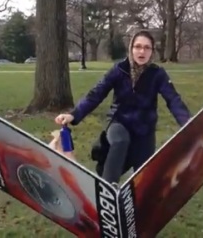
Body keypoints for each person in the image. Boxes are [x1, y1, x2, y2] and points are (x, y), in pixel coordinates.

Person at [55, 30, 192, 184]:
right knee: (121, 140)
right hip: (119, 122)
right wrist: (74, 114)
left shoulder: (157, 74)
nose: (142, 51)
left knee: (144, 177)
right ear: (131, 49)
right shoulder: (119, 70)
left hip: (144, 130)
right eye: (138, 46)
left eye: (147, 48)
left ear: (152, 52)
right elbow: (96, 93)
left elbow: (173, 99)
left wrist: (189, 123)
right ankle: (107, 188)